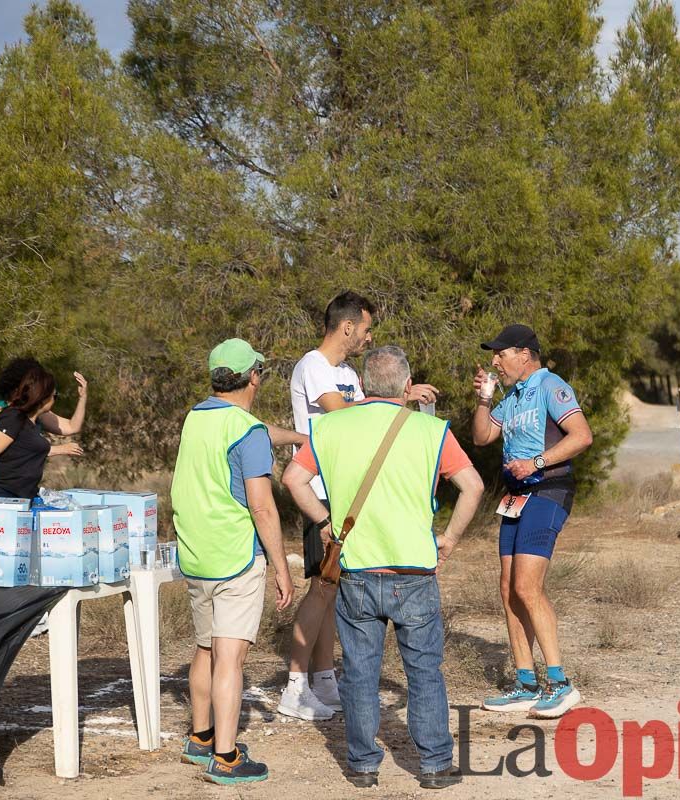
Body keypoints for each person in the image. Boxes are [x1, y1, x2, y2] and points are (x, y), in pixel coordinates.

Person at [282, 345, 482, 789]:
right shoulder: (431, 431)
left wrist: (324, 521)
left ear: (362, 386)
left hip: (356, 569)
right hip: (414, 571)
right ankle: (433, 765)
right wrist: (448, 538)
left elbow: (293, 479)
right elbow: (473, 485)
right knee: (424, 671)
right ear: (408, 387)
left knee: (359, 671)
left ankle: (363, 764)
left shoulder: (330, 427)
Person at [279, 292, 438, 721]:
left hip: (348, 491)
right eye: (366, 329)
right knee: (321, 585)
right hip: (321, 491)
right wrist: (399, 401)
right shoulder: (313, 366)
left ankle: (325, 677)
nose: (369, 338)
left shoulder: (348, 371)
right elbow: (341, 414)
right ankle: (294, 686)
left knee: (337, 588)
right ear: (347, 327)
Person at [171, 339, 300, 785]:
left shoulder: (197, 418)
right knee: (231, 656)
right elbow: (263, 509)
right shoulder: (248, 431)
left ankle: (200, 738)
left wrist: (302, 437)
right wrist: (282, 567)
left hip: (196, 553)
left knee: (205, 648)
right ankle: (225, 758)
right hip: (236, 555)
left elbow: (257, 431)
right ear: (254, 377)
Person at [472, 324, 593, 719]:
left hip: (549, 489)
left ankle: (560, 683)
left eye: (501, 353)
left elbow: (582, 436)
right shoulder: (514, 396)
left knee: (527, 585)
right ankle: (526, 683)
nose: (495, 360)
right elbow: (482, 437)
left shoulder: (550, 385)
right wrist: (484, 400)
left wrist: (536, 462)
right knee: (508, 588)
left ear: (524, 354)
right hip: (516, 495)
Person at [0, 363, 84, 500]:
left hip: (24, 495)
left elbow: (72, 426)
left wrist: (83, 397)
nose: (55, 399)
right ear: (42, 397)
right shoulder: (10, 416)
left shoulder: (34, 418)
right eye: (55, 396)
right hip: (4, 495)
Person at [0, 358, 88, 442]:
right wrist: (59, 450)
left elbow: (72, 426)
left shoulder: (34, 412)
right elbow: (7, 453)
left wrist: (82, 397)